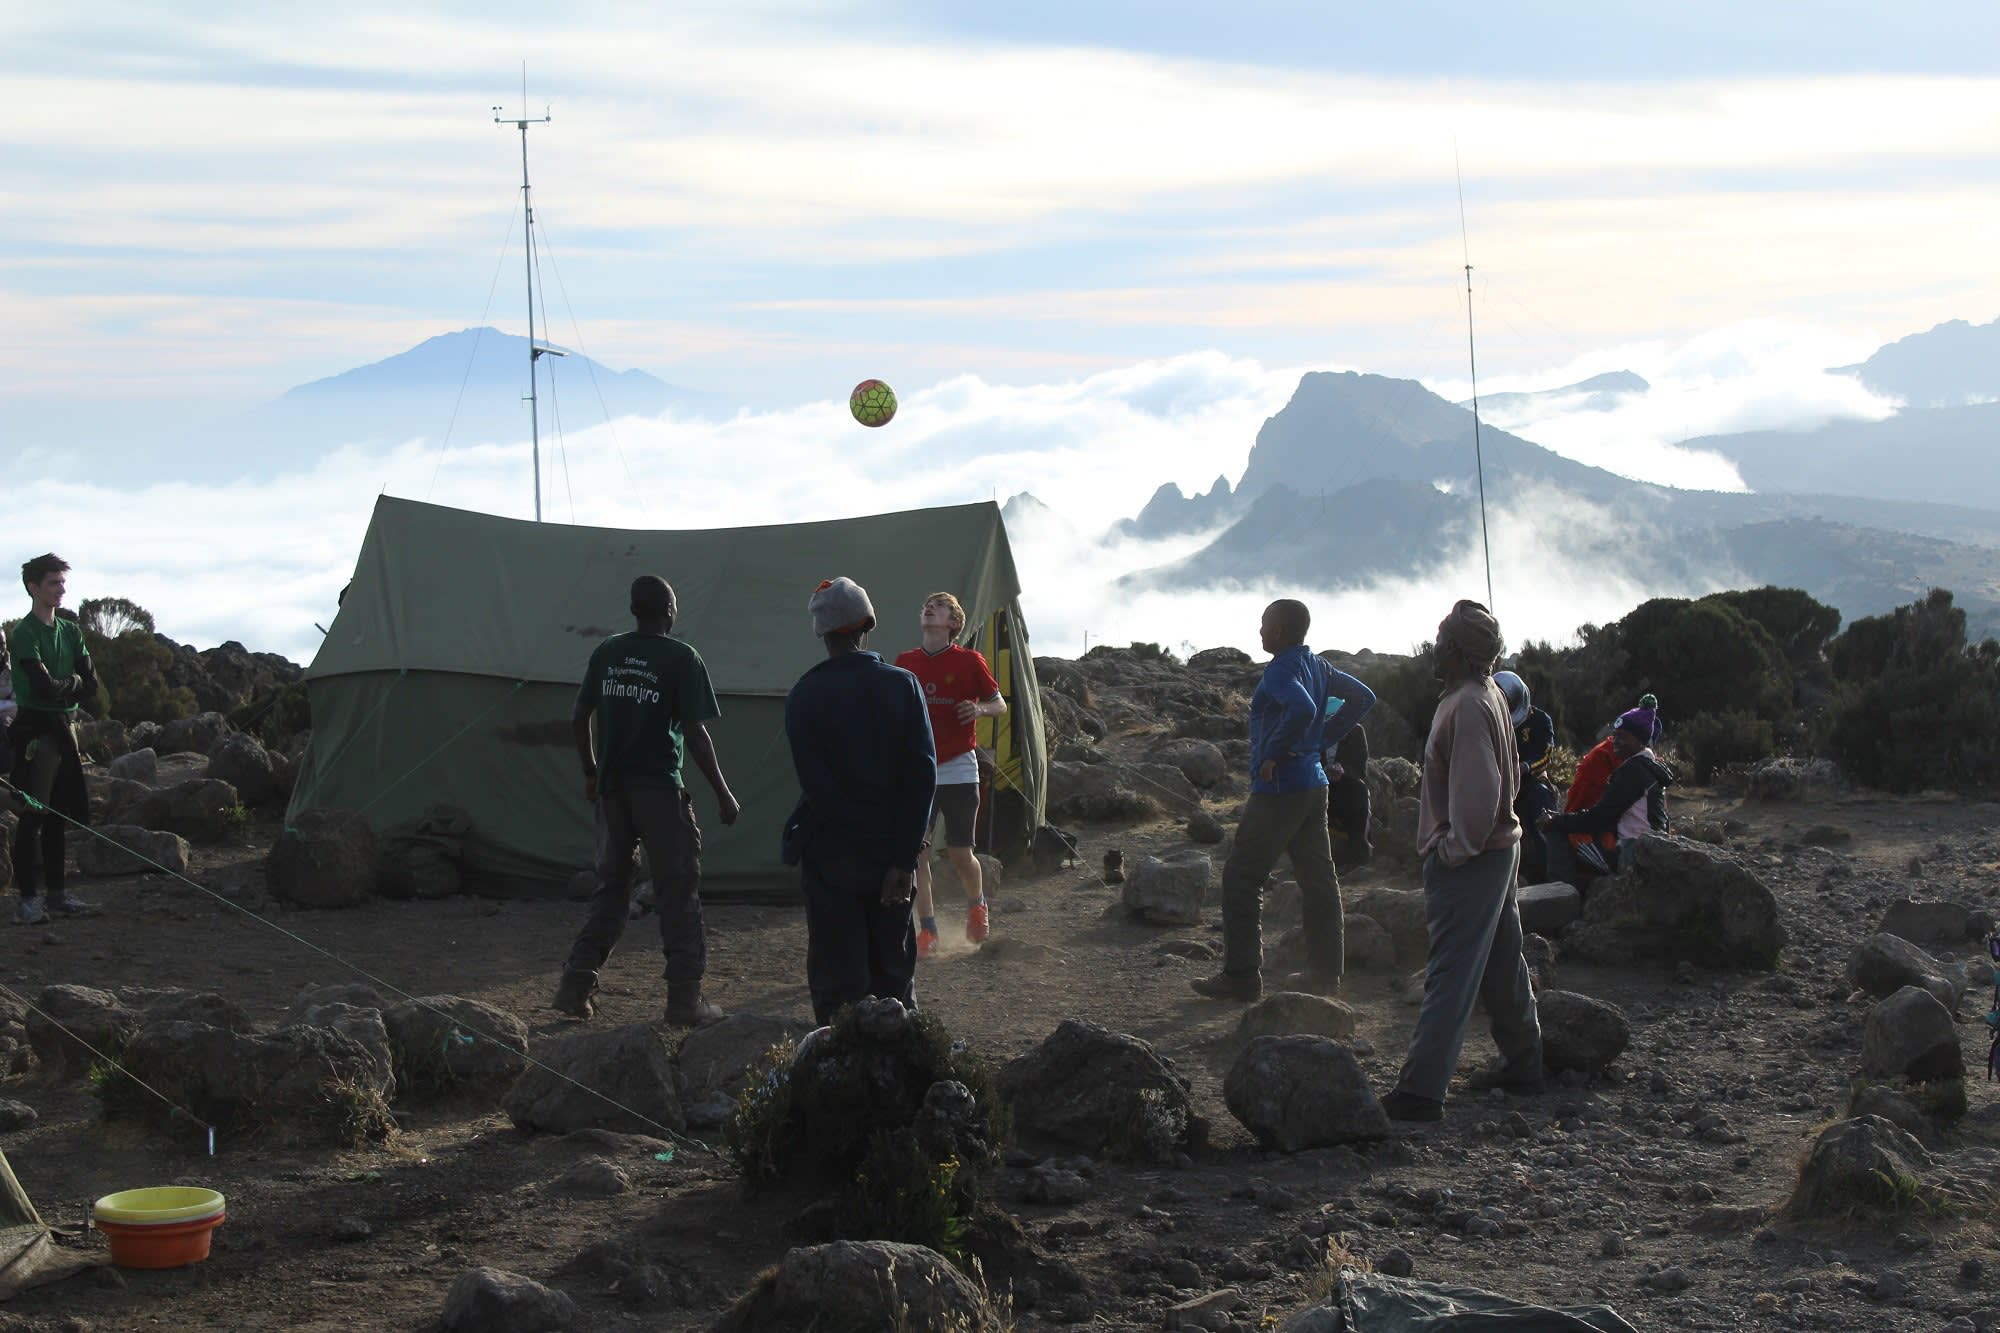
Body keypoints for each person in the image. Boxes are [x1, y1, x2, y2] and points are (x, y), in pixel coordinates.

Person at [551, 575, 740, 1027]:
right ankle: (684, 1000)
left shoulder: (608, 653)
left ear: (635, 610)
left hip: (614, 795)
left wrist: (591, 772)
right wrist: (723, 794)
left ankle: (575, 985)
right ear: (671, 611)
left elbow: (579, 716)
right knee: (678, 890)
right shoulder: (681, 658)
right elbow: (695, 733)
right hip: (659, 791)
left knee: (612, 890)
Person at [1382, 600, 1542, 1123]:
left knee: (1450, 971)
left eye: (1441, 638)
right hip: (1500, 849)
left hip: (1473, 859)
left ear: (1456, 650)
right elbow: (1510, 779)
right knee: (1501, 960)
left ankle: (1421, 1092)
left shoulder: (1467, 705)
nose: (1433, 645)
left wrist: (1452, 849)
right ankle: (1525, 1060)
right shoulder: (1488, 693)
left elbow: (1480, 789)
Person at [784, 577, 937, 1025]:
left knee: (838, 981)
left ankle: (838, 1076)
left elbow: (818, 788)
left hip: (832, 857)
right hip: (892, 855)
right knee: (892, 975)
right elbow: (921, 777)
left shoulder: (805, 695)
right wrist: (901, 860)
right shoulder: (902, 686)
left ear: (821, 632)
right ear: (867, 623)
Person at [1192, 599, 1344, 1001]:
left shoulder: (1279, 670)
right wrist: (1321, 741)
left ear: (1277, 631)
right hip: (1315, 784)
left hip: (1280, 790)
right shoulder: (1318, 664)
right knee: (1319, 882)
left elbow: (1302, 707)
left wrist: (1274, 752)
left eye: (1263, 625)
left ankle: (1242, 976)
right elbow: (1361, 698)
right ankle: (1325, 977)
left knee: (1242, 877)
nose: (1259, 632)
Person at [894, 592, 1005, 959]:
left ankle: (977, 905)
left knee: (959, 853)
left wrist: (979, 708)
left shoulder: (970, 661)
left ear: (954, 623)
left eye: (939, 607)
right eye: (926, 605)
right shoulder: (904, 662)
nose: (929, 608)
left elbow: (1000, 704)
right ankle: (928, 931)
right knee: (918, 856)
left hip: (959, 767)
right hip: (918, 770)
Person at [8, 555, 98, 925]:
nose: (61, 590)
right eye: (53, 583)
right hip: (36, 729)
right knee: (34, 813)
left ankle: (58, 895)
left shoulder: (71, 632)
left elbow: (91, 684)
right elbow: (42, 687)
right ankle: (28, 900)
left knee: (59, 814)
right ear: (34, 587)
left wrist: (70, 688)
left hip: (66, 728)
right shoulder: (25, 633)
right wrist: (71, 685)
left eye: (62, 583)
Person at [1539, 703, 1674, 888]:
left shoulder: (1633, 771)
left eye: (1623, 737)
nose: (1615, 742)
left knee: (1556, 831)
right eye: (1615, 736)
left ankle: (1562, 898)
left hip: (1632, 854)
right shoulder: (1650, 767)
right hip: (1649, 850)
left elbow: (1599, 816)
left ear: (1640, 740)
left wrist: (1557, 821)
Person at [1493, 670, 1559, 882]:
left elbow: (1545, 754)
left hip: (1531, 783)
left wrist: (1525, 767)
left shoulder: (1540, 720)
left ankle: (1550, 875)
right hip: (1500, 785)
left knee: (1541, 807)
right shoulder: (1491, 720)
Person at [1321, 667, 1379, 874]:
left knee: (1359, 792)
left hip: (1346, 783)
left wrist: (1342, 771)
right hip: (1319, 783)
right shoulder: (1313, 729)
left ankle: (1359, 853)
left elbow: (1359, 766)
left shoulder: (1355, 732)